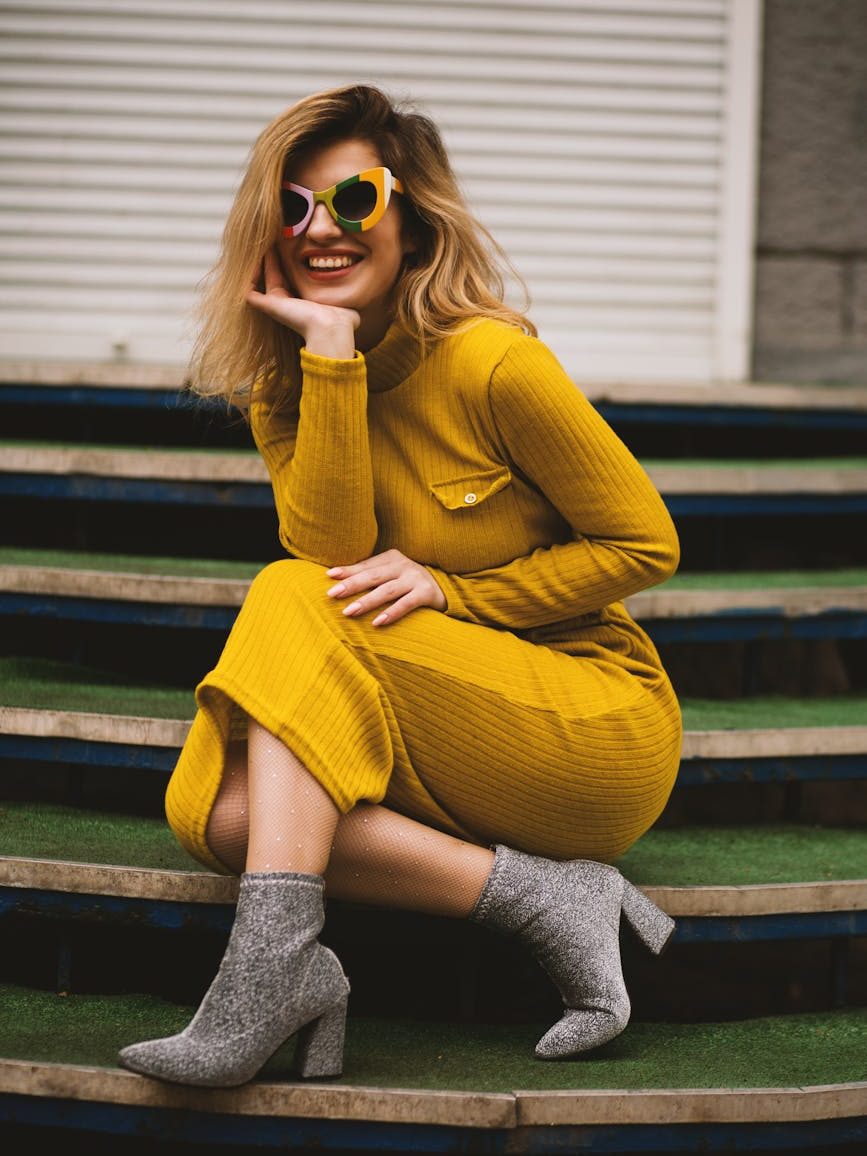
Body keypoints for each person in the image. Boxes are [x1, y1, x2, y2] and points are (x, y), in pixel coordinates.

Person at [118, 83, 682, 1088]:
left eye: (354, 200)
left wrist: (453, 592)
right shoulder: (287, 386)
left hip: (588, 723)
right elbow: (335, 545)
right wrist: (329, 358)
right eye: (291, 207)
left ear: (411, 211)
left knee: (292, 597)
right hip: (430, 716)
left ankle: (267, 971)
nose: (320, 230)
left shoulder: (492, 363)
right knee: (216, 810)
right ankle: (541, 897)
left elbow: (644, 545)